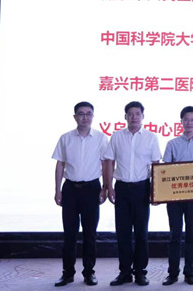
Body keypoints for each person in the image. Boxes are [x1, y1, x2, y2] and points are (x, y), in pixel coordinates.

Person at [104, 101, 162, 286]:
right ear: (125, 117)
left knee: (141, 234)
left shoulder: (151, 138)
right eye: (130, 114)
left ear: (143, 116)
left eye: (137, 113)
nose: (134, 117)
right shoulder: (116, 136)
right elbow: (109, 162)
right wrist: (109, 186)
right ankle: (124, 272)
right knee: (122, 233)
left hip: (142, 188)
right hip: (121, 188)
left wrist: (155, 190)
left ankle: (140, 272)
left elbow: (156, 165)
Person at [52, 101, 109, 287]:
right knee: (69, 233)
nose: (85, 117)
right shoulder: (66, 138)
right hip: (70, 189)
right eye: (81, 114)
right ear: (75, 117)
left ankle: (89, 273)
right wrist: (57, 189)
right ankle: (67, 273)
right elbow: (60, 164)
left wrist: (105, 188)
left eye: (88, 113)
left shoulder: (101, 138)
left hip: (92, 189)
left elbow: (106, 164)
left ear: (93, 116)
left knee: (90, 234)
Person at [161, 106, 193, 286]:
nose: (189, 123)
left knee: (192, 235)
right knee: (174, 236)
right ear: (181, 122)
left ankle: (190, 273)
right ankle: (172, 273)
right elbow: (164, 172)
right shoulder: (172, 144)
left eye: (192, 120)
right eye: (186, 119)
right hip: (174, 198)